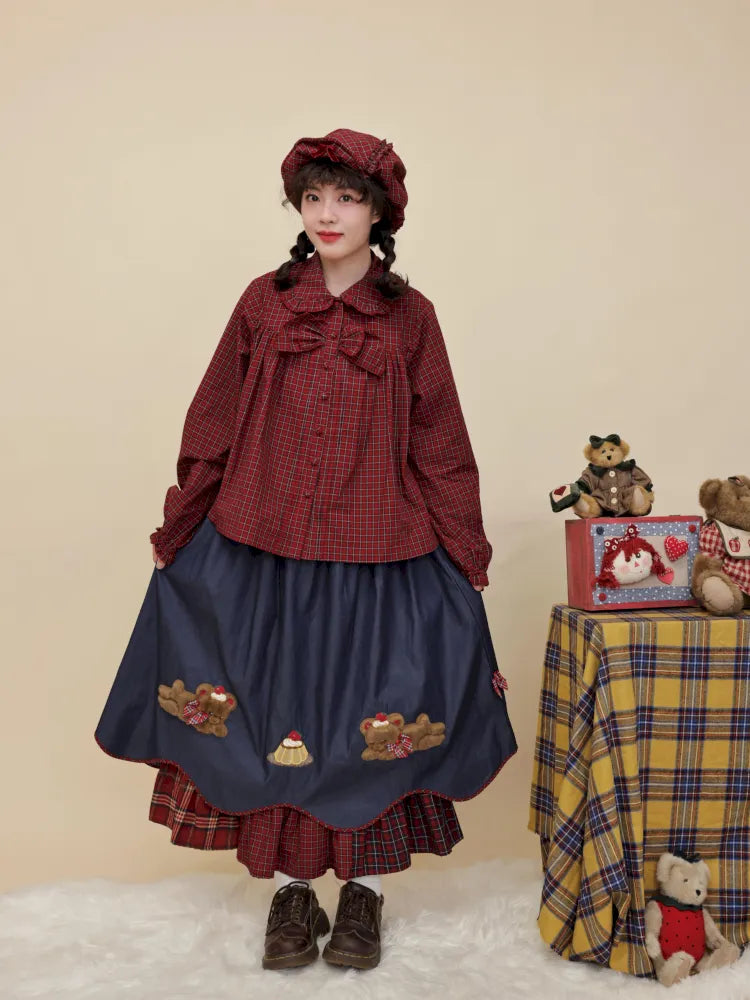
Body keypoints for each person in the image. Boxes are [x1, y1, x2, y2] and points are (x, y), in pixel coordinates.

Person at [95, 128, 517, 972]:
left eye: (347, 199)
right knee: (276, 711)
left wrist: (465, 552)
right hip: (264, 546)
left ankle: (364, 894)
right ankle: (292, 892)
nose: (328, 214)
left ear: (380, 213)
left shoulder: (412, 318)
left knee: (369, 713)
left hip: (382, 550)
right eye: (313, 198)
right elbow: (214, 413)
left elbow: (440, 441)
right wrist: (184, 521)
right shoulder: (264, 302)